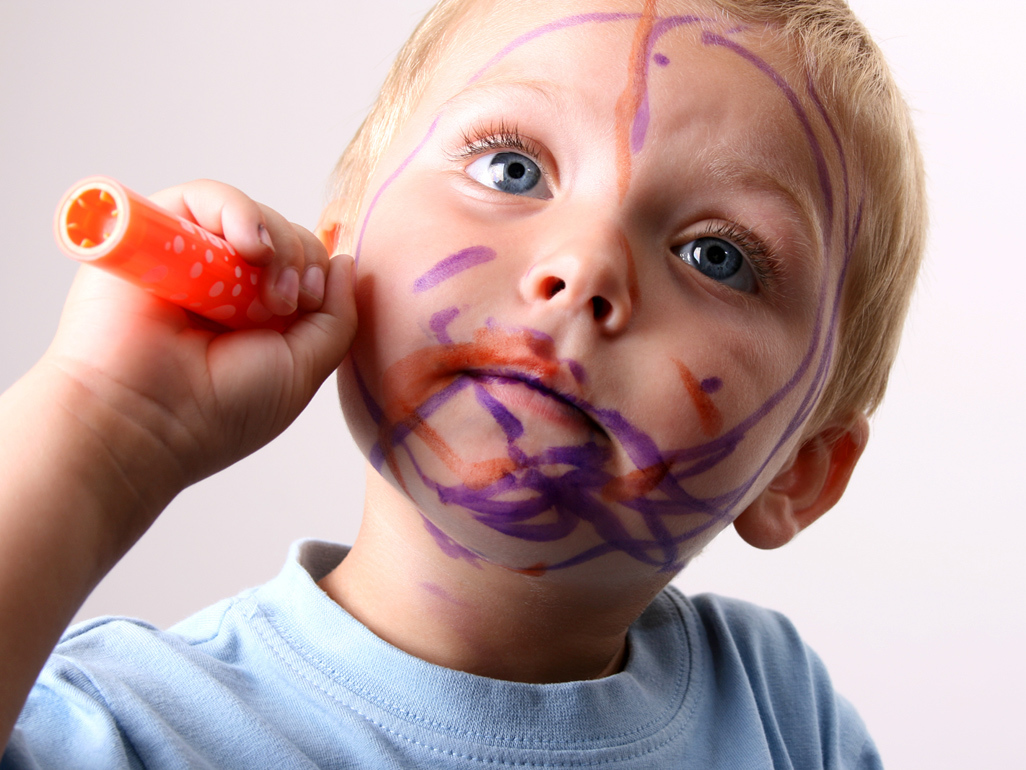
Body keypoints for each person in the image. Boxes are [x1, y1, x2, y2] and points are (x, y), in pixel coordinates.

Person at [0, 0, 925, 766]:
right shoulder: (122, 729)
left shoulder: (776, 711)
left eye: (716, 256)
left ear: (800, 469)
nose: (585, 264)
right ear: (339, 259)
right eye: (512, 168)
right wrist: (98, 429)